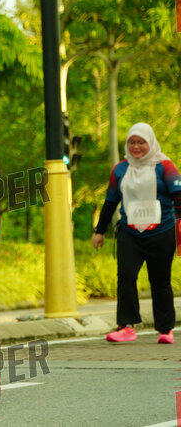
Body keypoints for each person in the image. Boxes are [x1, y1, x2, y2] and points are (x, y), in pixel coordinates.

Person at [92, 122, 181, 344]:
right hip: (130, 232)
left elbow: (178, 195)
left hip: (161, 231)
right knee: (126, 276)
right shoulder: (120, 169)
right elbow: (110, 201)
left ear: (150, 142)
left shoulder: (165, 166)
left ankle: (165, 329)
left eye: (141, 142)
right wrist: (99, 231)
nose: (136, 146)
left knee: (160, 280)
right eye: (132, 142)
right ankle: (126, 326)